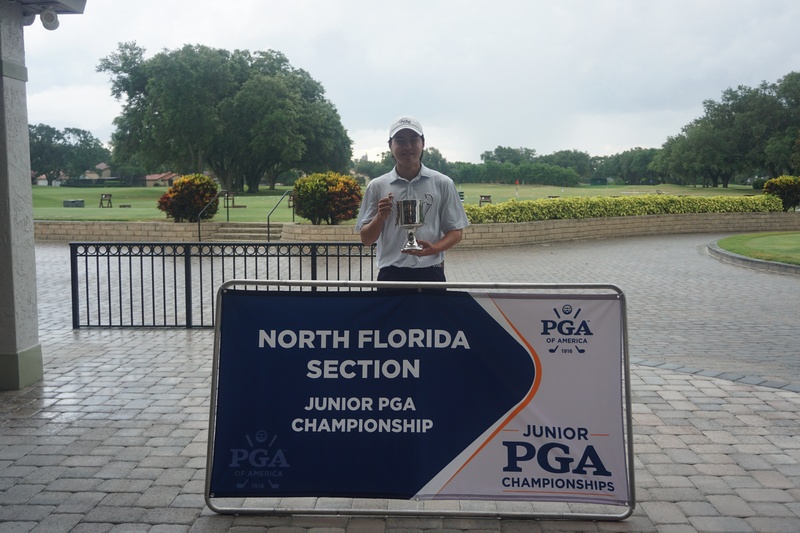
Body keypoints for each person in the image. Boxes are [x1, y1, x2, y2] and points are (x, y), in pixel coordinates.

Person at [356, 116, 469, 282]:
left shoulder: (442, 183)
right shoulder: (377, 186)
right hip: (390, 275)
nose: (407, 146)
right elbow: (366, 239)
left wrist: (434, 249)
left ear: (423, 143)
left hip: (430, 273)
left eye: (413, 139)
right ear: (390, 145)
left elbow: (456, 232)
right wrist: (379, 218)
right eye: (400, 141)